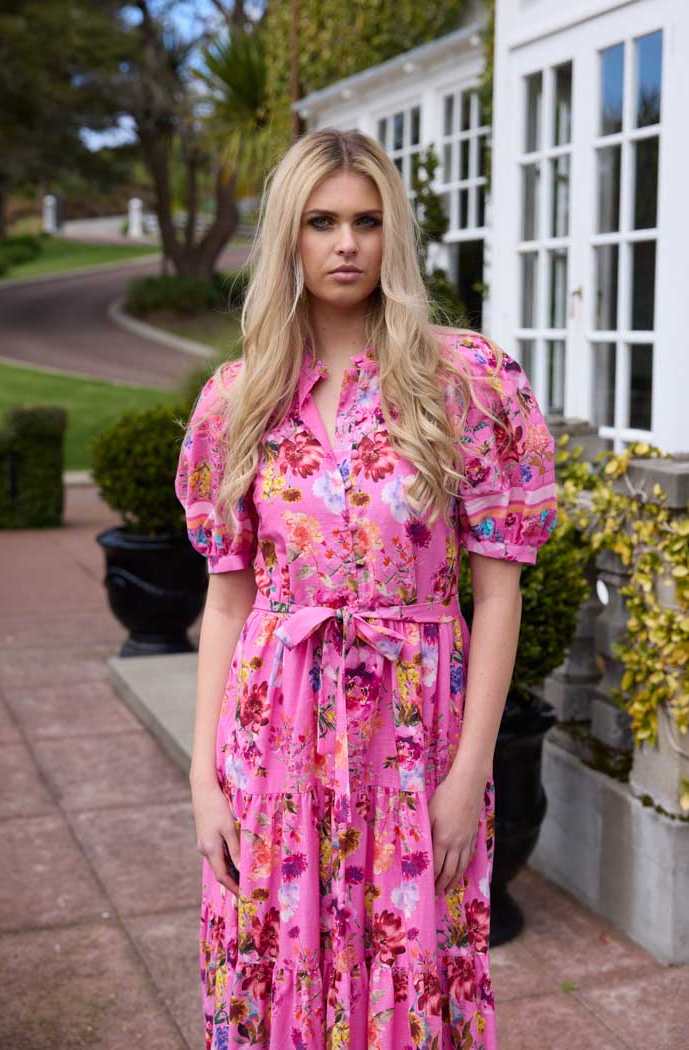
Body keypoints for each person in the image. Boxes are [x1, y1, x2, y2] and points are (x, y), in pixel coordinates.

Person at [174, 128, 558, 1050]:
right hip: (273, 733)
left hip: (415, 734)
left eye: (367, 221)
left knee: (410, 967)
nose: (345, 244)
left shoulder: (467, 383)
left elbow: (498, 595)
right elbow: (227, 600)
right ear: (289, 236)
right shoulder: (238, 399)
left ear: (395, 236)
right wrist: (202, 777)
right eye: (321, 222)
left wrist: (470, 775)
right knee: (274, 957)